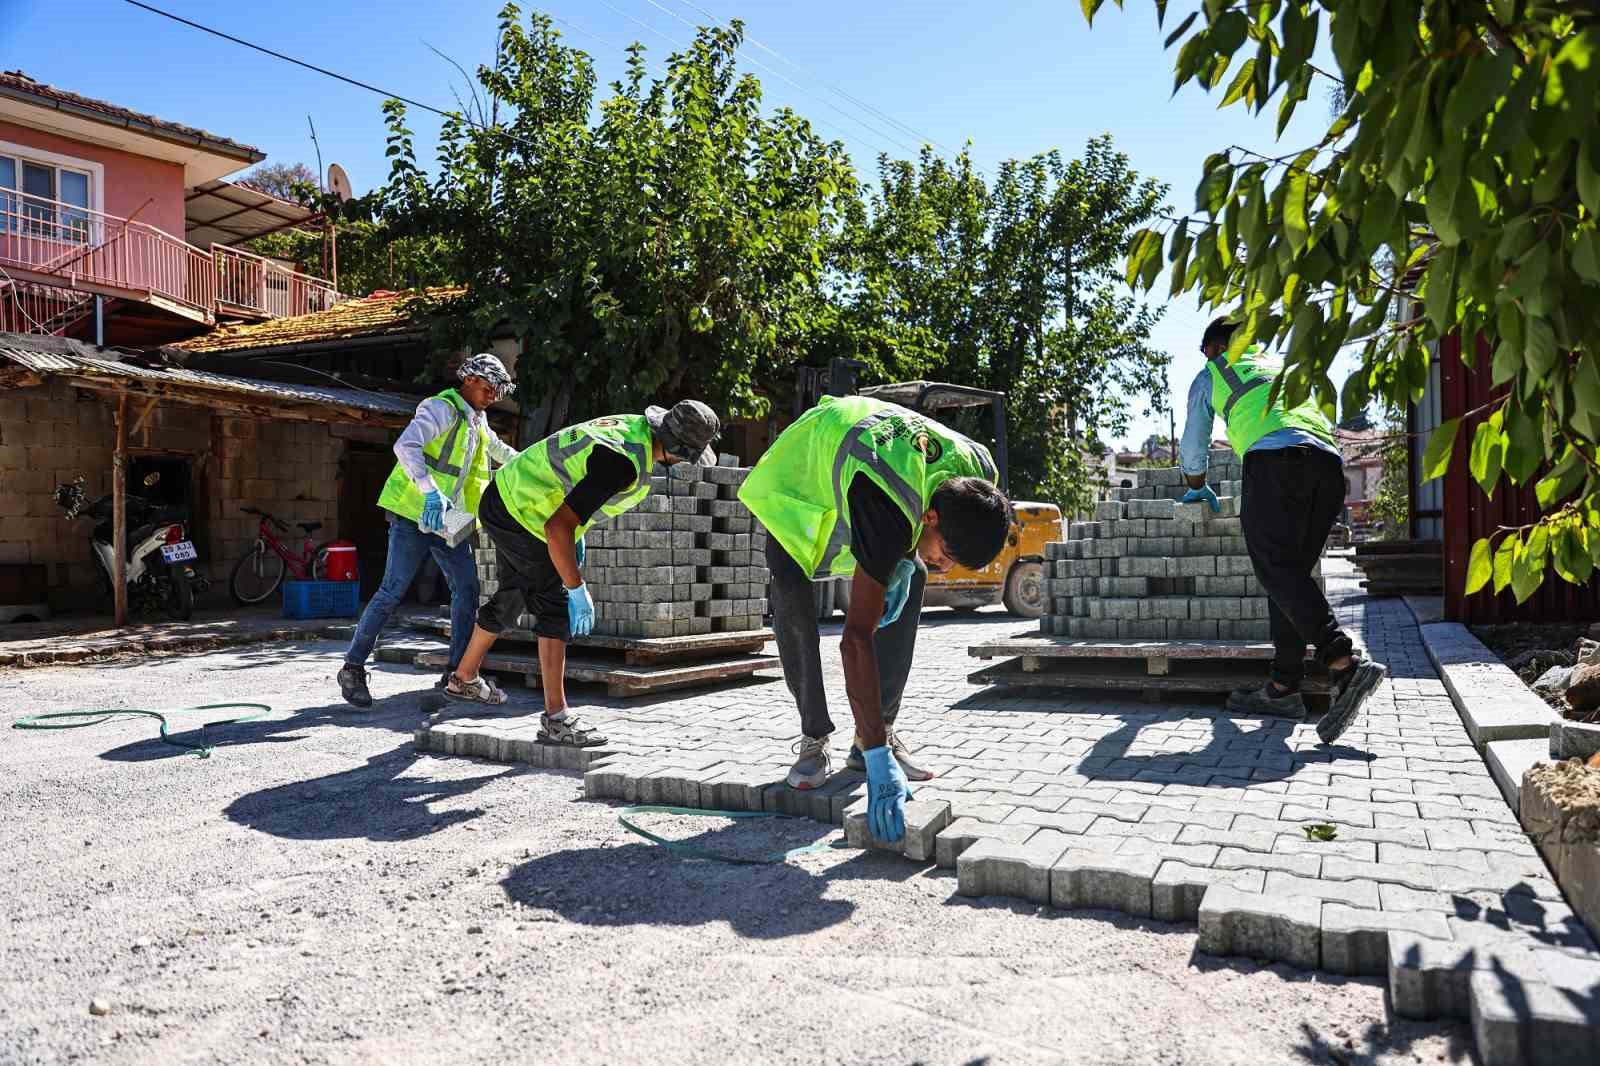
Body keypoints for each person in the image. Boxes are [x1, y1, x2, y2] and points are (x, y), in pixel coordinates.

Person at [739, 395, 1012, 844]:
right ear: (929, 516)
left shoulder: (980, 475)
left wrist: (912, 559)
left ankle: (876, 728)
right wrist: (880, 759)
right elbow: (854, 640)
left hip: (868, 465)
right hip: (804, 475)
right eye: (945, 553)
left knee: (916, 576)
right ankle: (814, 739)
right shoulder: (888, 505)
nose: (947, 566)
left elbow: (932, 535)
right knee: (790, 586)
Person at [444, 400, 723, 747]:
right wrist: (576, 586)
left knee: (515, 593)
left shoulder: (632, 428)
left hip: (510, 497)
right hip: (523, 513)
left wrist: (575, 537)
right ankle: (556, 720)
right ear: (677, 448)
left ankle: (464, 676)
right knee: (555, 608)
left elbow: (572, 490)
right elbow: (557, 528)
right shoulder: (622, 464)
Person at [1179, 317, 1386, 742]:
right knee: (1288, 578)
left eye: (1206, 352)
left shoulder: (1212, 373)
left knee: (1275, 570)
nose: (1207, 360)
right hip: (1328, 468)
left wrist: (1197, 485)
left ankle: (1344, 664)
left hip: (1277, 465)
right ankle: (1283, 685)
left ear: (1216, 346)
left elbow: (1194, 443)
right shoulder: (1279, 366)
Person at [337, 354, 518, 709]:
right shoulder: (442, 408)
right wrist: (430, 492)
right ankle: (353, 668)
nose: (493, 396)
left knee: (467, 590)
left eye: (497, 391)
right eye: (488, 388)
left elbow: (499, 451)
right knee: (392, 591)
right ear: (469, 380)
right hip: (414, 515)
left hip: (447, 523)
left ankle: (458, 674)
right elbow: (406, 446)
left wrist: (535, 463)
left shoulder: (477, 420)